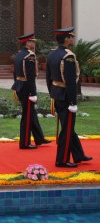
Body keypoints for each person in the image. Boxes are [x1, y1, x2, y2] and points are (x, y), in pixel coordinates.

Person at [46, 27, 92, 168]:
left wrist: (52, 92)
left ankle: (78, 154)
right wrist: (73, 102)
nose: (73, 38)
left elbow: (48, 77)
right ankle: (62, 160)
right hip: (66, 97)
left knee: (68, 126)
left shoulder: (52, 54)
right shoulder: (68, 56)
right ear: (66, 39)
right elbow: (71, 82)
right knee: (67, 129)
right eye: (71, 36)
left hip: (57, 94)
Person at [11, 33, 50, 149]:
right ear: (28, 43)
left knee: (31, 113)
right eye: (32, 41)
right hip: (27, 89)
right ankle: (25, 143)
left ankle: (39, 138)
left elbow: (15, 73)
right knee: (27, 116)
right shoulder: (30, 56)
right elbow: (30, 76)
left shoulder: (19, 55)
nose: (34, 43)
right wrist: (33, 93)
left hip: (20, 87)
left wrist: (17, 86)